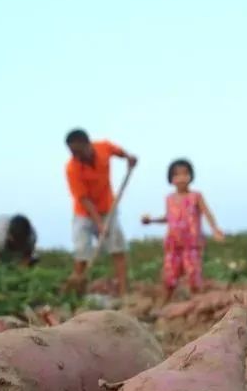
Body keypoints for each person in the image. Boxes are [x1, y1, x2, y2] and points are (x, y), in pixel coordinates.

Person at [64, 128, 137, 295]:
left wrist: (128, 157)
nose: (75, 155)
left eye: (78, 151)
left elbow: (118, 152)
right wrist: (98, 223)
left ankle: (123, 291)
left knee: (117, 247)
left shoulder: (103, 147)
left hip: (107, 208)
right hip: (83, 213)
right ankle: (77, 291)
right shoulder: (72, 168)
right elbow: (84, 199)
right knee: (82, 251)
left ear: (88, 144)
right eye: (72, 152)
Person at [141, 158, 225, 301]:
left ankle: (197, 301)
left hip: (191, 243)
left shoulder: (196, 197)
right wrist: (152, 220)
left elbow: (207, 213)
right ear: (171, 179)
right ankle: (165, 303)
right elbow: (169, 218)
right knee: (169, 274)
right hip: (173, 243)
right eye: (177, 175)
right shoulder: (169, 199)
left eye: (185, 174)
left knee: (193, 273)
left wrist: (215, 229)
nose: (181, 179)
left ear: (191, 176)